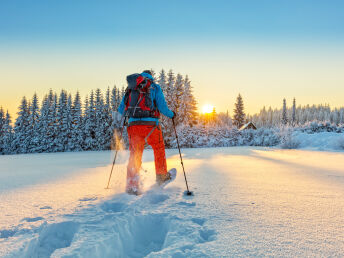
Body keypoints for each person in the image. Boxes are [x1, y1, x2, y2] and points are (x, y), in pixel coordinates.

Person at [118, 70, 175, 194]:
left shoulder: (131, 88)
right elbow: (162, 107)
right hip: (151, 126)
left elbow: (121, 109)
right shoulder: (154, 87)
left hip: (133, 126)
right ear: (151, 76)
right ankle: (161, 177)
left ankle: (132, 186)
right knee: (158, 148)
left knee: (135, 154)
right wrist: (172, 115)